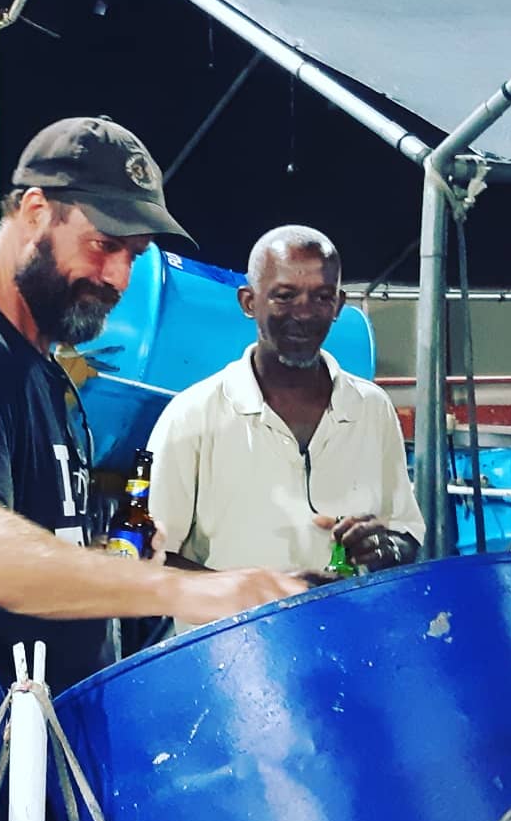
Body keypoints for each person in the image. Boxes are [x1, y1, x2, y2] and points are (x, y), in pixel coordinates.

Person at [0, 117, 308, 694]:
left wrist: (123, 557)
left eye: (135, 255)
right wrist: (183, 590)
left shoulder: (33, 361)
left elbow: (42, 545)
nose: (119, 276)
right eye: (104, 245)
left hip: (47, 737)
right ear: (37, 212)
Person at [147, 224, 425, 578]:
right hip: (235, 635)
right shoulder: (192, 416)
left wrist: (386, 548)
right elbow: (148, 558)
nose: (305, 313)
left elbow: (407, 535)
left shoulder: (372, 408)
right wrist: (261, 596)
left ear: (339, 305)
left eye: (322, 297)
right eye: (285, 295)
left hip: (349, 631)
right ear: (249, 302)